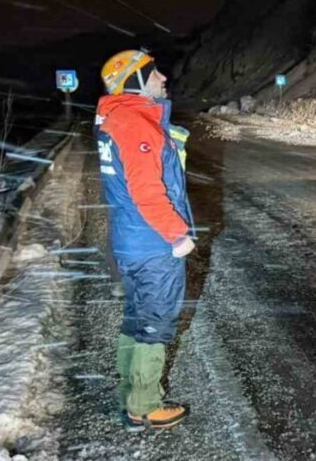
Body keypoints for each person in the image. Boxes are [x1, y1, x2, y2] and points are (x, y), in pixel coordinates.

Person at [96, 49, 195, 431]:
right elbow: (146, 191)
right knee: (155, 322)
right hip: (152, 243)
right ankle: (145, 406)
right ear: (135, 81)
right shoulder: (136, 124)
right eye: (154, 73)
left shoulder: (116, 119)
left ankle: (129, 394)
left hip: (130, 239)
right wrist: (177, 234)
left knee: (137, 318)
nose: (163, 78)